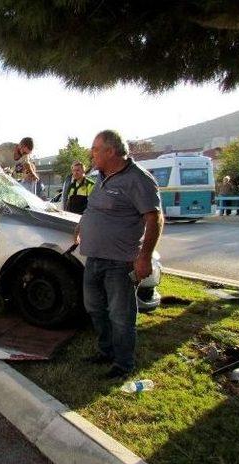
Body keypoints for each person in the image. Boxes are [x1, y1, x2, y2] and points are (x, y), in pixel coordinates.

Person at [75, 130, 163, 379]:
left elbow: (154, 218)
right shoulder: (101, 176)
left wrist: (144, 256)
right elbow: (95, 208)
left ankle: (123, 363)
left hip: (120, 262)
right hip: (94, 257)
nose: (91, 153)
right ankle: (106, 351)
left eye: (95, 149)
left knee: (121, 315)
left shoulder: (138, 179)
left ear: (110, 151)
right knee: (94, 307)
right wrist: (82, 225)